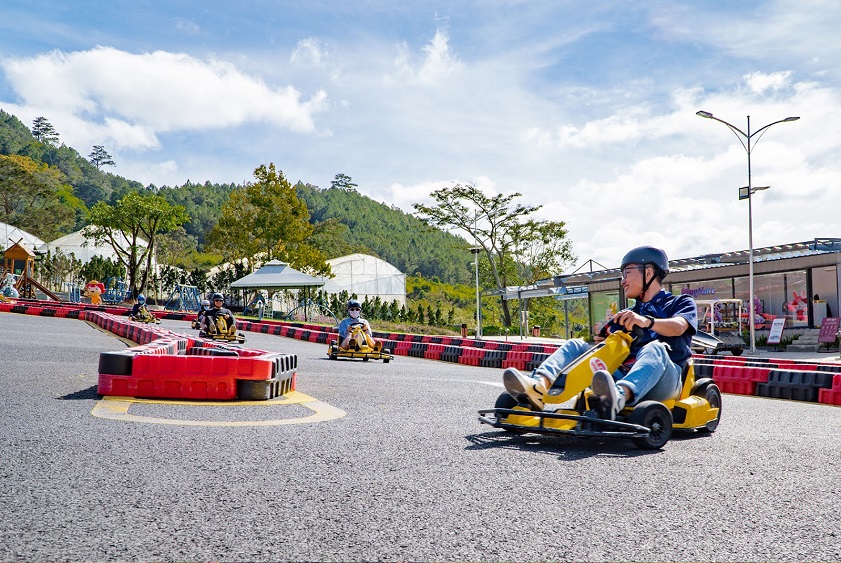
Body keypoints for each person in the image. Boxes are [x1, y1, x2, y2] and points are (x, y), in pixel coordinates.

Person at [503, 246, 697, 420]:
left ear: (648, 273)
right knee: (576, 345)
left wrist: (647, 322)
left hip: (665, 381)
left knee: (654, 348)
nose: (623, 281)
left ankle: (619, 396)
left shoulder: (681, 302)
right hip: (623, 373)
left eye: (627, 274)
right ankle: (538, 387)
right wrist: (601, 343)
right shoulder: (628, 314)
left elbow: (679, 326)